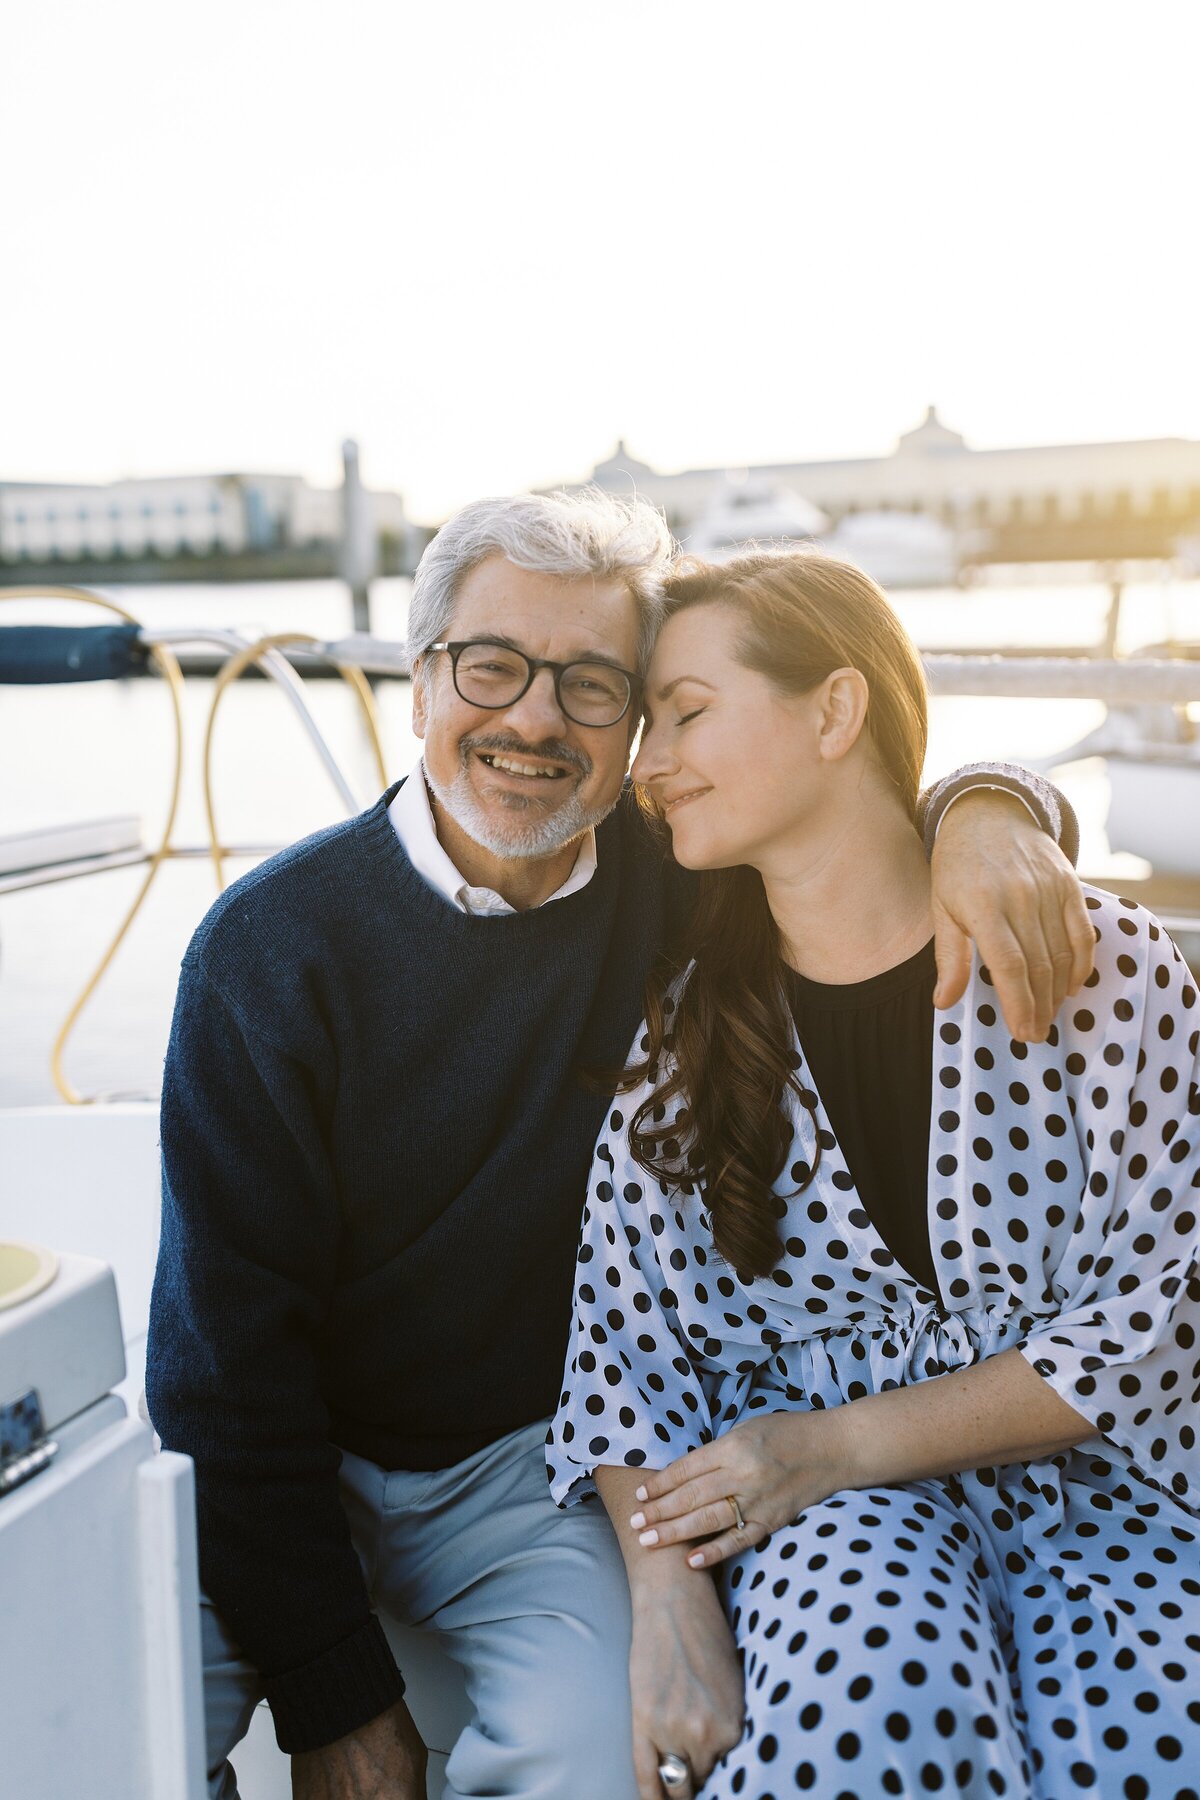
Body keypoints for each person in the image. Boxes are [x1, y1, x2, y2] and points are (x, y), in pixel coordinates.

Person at [146, 490, 1092, 1800]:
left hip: (523, 1469)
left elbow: (852, 796)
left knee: (615, 1763)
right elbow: (222, 1366)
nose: (535, 718)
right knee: (73, 1716)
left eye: (592, 685)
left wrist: (997, 809)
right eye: (491, 667)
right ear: (420, 687)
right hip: (259, 1472)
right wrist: (336, 1698)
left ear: (639, 725)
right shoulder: (267, 953)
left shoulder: (686, 879)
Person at [547, 547, 1200, 1800]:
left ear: (836, 711)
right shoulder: (685, 1034)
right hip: (823, 1520)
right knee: (866, 1719)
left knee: (1156, 1740)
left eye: (685, 714)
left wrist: (840, 1444)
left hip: (1111, 1491)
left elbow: (1158, 1317)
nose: (646, 767)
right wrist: (669, 1601)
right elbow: (624, 1357)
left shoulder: (1099, 965)